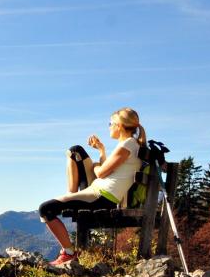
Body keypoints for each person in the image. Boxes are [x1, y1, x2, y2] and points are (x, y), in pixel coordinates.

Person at [38, 108, 146, 265]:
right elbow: (108, 170)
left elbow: (101, 172)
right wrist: (101, 150)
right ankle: (71, 194)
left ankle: (68, 253)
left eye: (111, 123)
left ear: (120, 126)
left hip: (101, 196)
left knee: (45, 209)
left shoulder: (128, 145)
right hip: (99, 191)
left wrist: (95, 167)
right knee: (75, 151)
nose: (109, 126)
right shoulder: (129, 144)